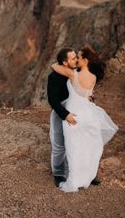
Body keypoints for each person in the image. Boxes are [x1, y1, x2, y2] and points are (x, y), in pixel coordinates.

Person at [51, 45, 118, 192]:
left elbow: (55, 66)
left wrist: (61, 63)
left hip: (73, 115)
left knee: (74, 147)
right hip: (89, 114)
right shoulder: (93, 77)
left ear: (85, 60)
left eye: (79, 57)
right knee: (88, 146)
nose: (77, 59)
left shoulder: (73, 74)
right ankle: (88, 176)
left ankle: (74, 179)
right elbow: (88, 95)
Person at [46, 47, 78, 187]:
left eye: (76, 57)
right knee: (59, 144)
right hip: (61, 113)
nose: (76, 59)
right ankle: (59, 174)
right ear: (65, 63)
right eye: (73, 58)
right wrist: (65, 115)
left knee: (81, 143)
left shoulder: (78, 72)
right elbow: (52, 100)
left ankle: (84, 172)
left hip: (79, 111)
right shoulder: (53, 77)